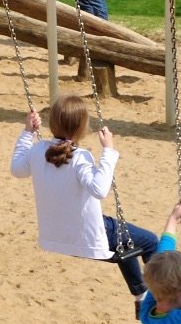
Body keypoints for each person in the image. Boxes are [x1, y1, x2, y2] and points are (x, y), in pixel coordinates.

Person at [10, 94, 161, 302]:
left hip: (55, 237)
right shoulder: (80, 157)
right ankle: (164, 298)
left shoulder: (37, 150)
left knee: (125, 242)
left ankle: (141, 296)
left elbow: (17, 169)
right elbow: (99, 190)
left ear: (52, 123)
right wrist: (108, 150)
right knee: (151, 242)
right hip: (85, 237)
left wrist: (27, 132)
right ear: (82, 127)